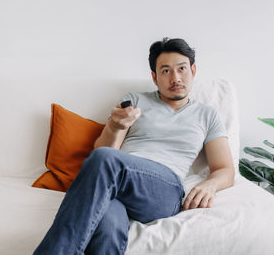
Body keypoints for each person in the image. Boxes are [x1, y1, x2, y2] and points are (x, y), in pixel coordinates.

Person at [33, 37, 235, 255]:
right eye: (166, 71)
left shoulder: (207, 115)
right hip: (116, 186)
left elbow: (225, 168)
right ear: (154, 77)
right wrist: (116, 126)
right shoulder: (135, 100)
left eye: (182, 69)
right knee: (107, 230)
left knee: (105, 160)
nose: (175, 78)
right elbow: (104, 151)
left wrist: (210, 185)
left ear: (193, 70)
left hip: (164, 189)